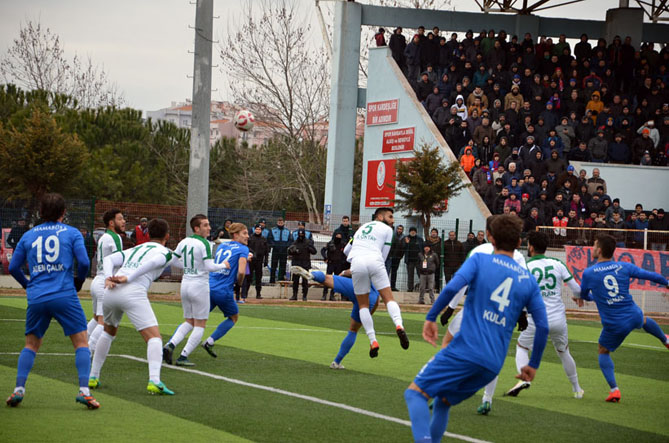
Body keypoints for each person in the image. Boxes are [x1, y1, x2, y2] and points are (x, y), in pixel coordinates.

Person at [404, 215, 548, 442]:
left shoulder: (480, 260)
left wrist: (431, 316)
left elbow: (452, 287)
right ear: (519, 242)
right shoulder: (527, 279)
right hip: (492, 365)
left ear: (490, 237)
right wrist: (534, 363)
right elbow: (543, 325)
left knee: (414, 394)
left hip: (466, 350)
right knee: (442, 402)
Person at [6, 193, 99, 409]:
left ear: (40, 212)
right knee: (81, 342)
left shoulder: (28, 235)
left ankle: (19, 388)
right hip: (64, 294)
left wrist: (27, 285)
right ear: (63, 213)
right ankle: (84, 391)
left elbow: (13, 267)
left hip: (37, 296)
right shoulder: (71, 232)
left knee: (31, 344)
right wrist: (78, 282)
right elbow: (84, 262)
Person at [438, 216, 528, 415]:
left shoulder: (478, 251)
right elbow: (523, 285)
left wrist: (450, 308)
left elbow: (461, 282)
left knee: (448, 343)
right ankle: (487, 399)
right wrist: (522, 313)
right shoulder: (518, 256)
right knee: (493, 356)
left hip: (475, 308)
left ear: (489, 233)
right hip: (502, 314)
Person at [576, 234, 669, 402]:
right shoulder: (624, 266)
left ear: (601, 250)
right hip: (633, 315)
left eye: (595, 245)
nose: (593, 248)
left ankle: (614, 390)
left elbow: (585, 296)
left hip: (614, 323)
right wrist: (666, 283)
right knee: (644, 320)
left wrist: (584, 297)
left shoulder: (589, 273)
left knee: (603, 351)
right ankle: (665, 339)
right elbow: (650, 275)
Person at [88, 218, 175, 395]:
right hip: (132, 291)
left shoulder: (137, 248)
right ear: (167, 235)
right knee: (154, 338)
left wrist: (108, 276)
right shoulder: (166, 252)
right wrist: (130, 278)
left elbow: (111, 259)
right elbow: (152, 263)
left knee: (108, 332)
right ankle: (154, 381)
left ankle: (93, 376)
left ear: (148, 234)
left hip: (111, 291)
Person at [504, 231, 584, 399]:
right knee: (563, 352)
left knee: (521, 347)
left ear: (531, 247)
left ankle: (524, 378)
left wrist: (520, 313)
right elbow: (577, 289)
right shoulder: (557, 263)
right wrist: (578, 297)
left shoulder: (525, 266)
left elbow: (518, 294)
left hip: (535, 319)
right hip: (558, 319)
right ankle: (577, 389)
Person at [162, 215, 228, 366]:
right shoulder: (205, 243)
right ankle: (183, 356)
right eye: (205, 225)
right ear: (196, 228)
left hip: (186, 284)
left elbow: (172, 260)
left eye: (209, 224)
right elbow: (210, 267)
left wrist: (187, 267)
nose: (209, 228)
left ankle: (170, 345)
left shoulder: (184, 241)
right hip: (199, 285)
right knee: (200, 324)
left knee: (189, 321)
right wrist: (224, 265)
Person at [344, 207, 408, 358]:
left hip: (357, 262)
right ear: (379, 216)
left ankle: (373, 340)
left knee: (363, 305)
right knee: (388, 299)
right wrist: (377, 271)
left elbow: (347, 250)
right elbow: (384, 254)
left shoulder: (360, 229)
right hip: (375, 259)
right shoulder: (387, 230)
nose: (393, 220)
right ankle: (399, 325)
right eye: (390, 217)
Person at [291, 267, 380, 369]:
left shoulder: (363, 257)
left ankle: (313, 275)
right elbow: (377, 300)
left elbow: (354, 270)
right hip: (371, 297)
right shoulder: (379, 269)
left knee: (326, 278)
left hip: (355, 286)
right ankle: (337, 362)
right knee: (353, 330)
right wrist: (367, 317)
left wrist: (342, 273)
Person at [201, 223, 251, 358]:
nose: (248, 236)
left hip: (209, 286)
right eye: (244, 233)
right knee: (234, 317)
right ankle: (209, 341)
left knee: (196, 319)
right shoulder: (243, 249)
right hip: (223, 290)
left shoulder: (222, 246)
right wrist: (238, 284)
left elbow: (225, 260)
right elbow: (241, 272)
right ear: (235, 235)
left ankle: (172, 344)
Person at [87, 209, 125, 354]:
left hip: (97, 280)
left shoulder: (103, 237)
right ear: (111, 222)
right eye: (120, 219)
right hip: (105, 282)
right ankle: (88, 350)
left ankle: (82, 343)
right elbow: (119, 260)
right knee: (103, 322)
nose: (123, 222)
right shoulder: (115, 237)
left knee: (96, 319)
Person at [288, 228, 316, 301]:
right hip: (296, 263)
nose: (301, 235)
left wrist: (309, 248)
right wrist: (292, 251)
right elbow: (289, 252)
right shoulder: (295, 242)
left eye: (302, 234)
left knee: (305, 281)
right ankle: (294, 295)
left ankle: (304, 296)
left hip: (305, 264)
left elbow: (314, 251)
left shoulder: (308, 242)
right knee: (295, 281)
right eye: (299, 234)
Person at [322, 232, 348, 301]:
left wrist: (343, 261)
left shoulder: (343, 244)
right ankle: (324, 295)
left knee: (336, 280)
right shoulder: (330, 243)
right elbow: (323, 250)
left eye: (340, 236)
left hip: (339, 265)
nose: (338, 238)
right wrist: (325, 258)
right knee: (327, 279)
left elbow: (346, 253)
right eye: (337, 236)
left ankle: (332, 295)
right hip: (331, 263)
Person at [247, 224, 269, 299]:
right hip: (251, 260)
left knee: (258, 277)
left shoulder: (263, 239)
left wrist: (266, 260)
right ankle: (245, 293)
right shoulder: (250, 238)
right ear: (254, 229)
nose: (258, 231)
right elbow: (247, 248)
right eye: (256, 229)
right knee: (248, 277)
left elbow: (266, 251)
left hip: (259, 261)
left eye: (259, 229)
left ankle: (258, 294)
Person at [268, 218, 291, 283]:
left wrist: (286, 246)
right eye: (279, 222)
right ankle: (272, 280)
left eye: (281, 222)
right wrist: (274, 245)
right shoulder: (272, 230)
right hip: (275, 250)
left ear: (283, 223)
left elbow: (290, 240)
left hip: (284, 250)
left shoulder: (287, 231)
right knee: (273, 265)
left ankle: (281, 280)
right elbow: (270, 239)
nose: (280, 224)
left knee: (283, 266)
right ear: (277, 223)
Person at [404, 227, 424, 291]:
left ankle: (423, 288)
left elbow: (422, 249)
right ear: (409, 232)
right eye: (411, 231)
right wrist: (406, 243)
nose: (413, 232)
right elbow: (403, 248)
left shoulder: (420, 239)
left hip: (418, 261)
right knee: (410, 276)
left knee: (421, 275)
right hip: (409, 261)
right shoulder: (406, 238)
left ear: (416, 232)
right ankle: (410, 288)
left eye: (414, 231)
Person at [389, 225, 405, 291]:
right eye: (398, 229)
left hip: (397, 257)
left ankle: (393, 286)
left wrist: (400, 256)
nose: (399, 230)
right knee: (387, 271)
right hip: (390, 257)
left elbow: (404, 248)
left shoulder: (403, 238)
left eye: (401, 229)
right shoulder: (392, 236)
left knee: (394, 272)